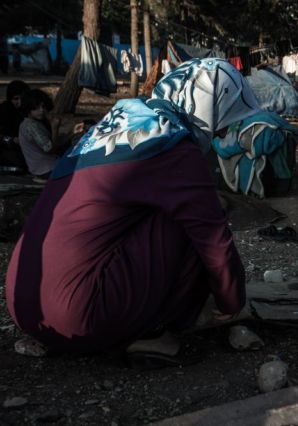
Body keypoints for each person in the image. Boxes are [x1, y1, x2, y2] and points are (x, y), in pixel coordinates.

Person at [5, 58, 261, 367]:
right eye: (224, 120)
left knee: (176, 209)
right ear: (209, 106)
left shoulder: (113, 126)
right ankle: (153, 330)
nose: (221, 133)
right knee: (196, 217)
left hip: (24, 306)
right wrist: (232, 302)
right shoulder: (173, 145)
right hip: (79, 316)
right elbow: (213, 239)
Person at [18, 88, 65, 182]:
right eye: (36, 108)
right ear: (28, 108)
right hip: (46, 170)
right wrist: (54, 128)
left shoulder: (35, 122)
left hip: (45, 167)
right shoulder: (31, 126)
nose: (41, 110)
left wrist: (73, 133)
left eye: (43, 106)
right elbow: (49, 148)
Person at [0, 79, 30, 170]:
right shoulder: (4, 111)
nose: (19, 102)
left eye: (22, 98)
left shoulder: (28, 109)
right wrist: (12, 140)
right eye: (16, 99)